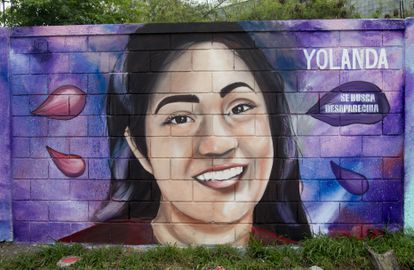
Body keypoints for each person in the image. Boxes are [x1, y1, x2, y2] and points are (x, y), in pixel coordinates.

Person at [61, 23, 310, 245]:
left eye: (240, 108)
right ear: (139, 147)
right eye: (180, 118)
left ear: (272, 123)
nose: (216, 144)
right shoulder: (89, 249)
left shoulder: (289, 253)